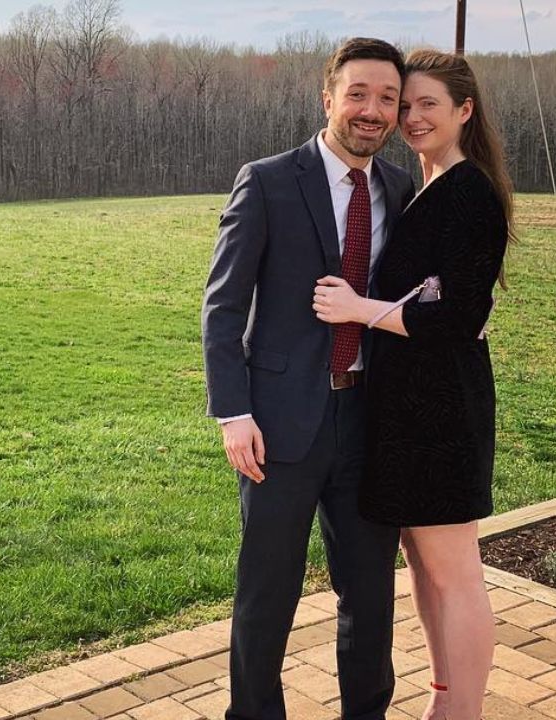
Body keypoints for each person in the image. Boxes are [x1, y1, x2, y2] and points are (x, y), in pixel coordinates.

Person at [201, 37, 416, 720]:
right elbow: (223, 304)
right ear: (327, 98)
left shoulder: (398, 187)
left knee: (371, 595)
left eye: (387, 98)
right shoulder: (266, 180)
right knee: (268, 594)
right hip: (278, 426)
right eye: (358, 94)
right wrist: (233, 414)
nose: (372, 110)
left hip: (366, 424)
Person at [313, 49, 514, 720]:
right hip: (402, 408)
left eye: (431, 104)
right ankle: (442, 698)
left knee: (454, 573)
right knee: (425, 570)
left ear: (464, 111)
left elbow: (457, 315)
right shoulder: (419, 189)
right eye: (408, 104)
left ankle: (465, 713)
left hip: (442, 410)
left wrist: (359, 310)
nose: (413, 116)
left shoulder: (470, 191)